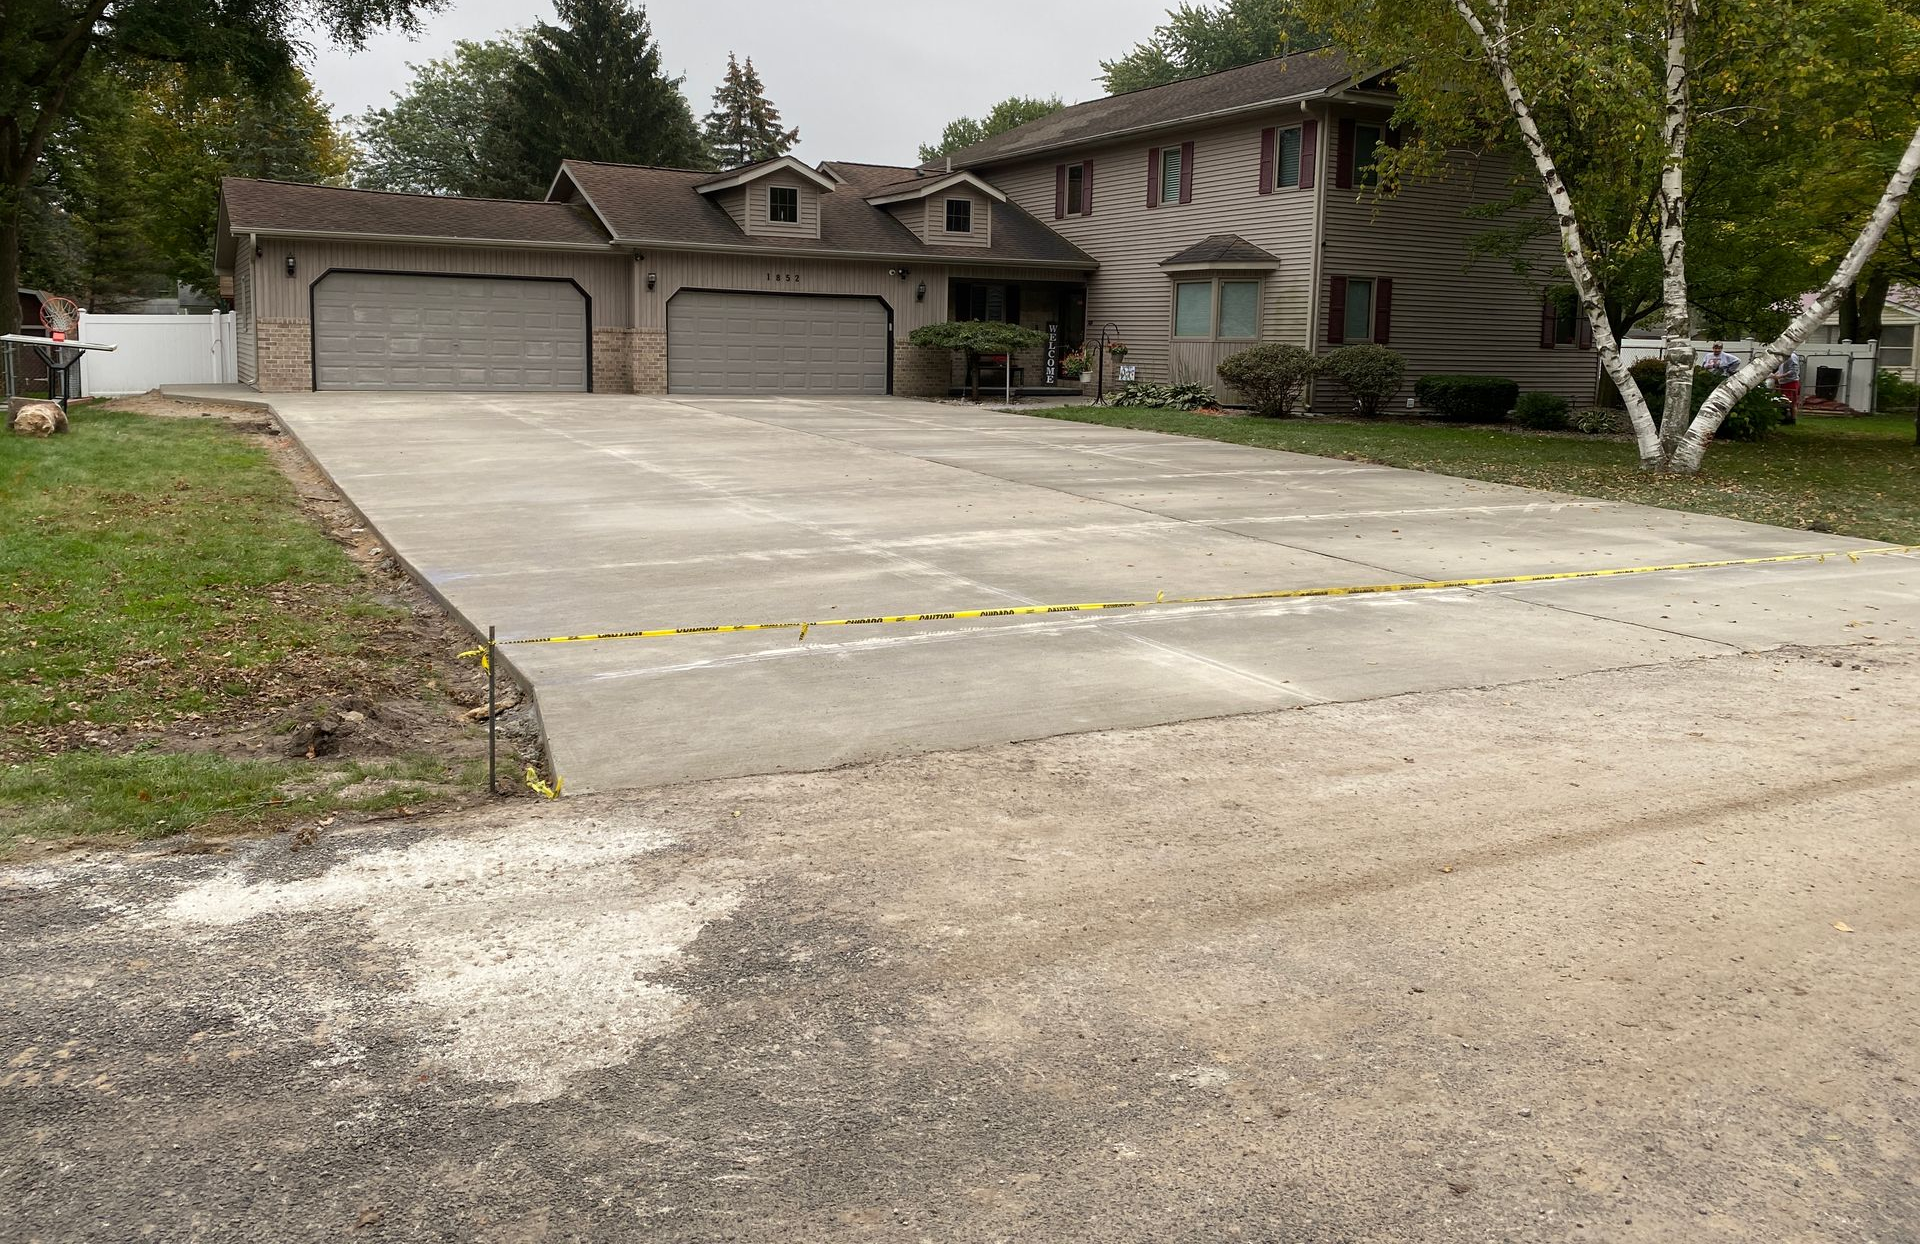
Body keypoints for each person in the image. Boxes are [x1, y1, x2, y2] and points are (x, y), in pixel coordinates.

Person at [1772, 348, 1802, 423]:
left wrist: (1780, 376)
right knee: (1783, 401)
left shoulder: (1792, 356)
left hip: (1791, 382)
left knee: (1791, 402)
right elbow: (1782, 369)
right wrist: (1776, 374)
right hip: (1784, 382)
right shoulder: (1784, 356)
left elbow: (1793, 371)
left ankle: (1792, 420)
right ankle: (1785, 418)